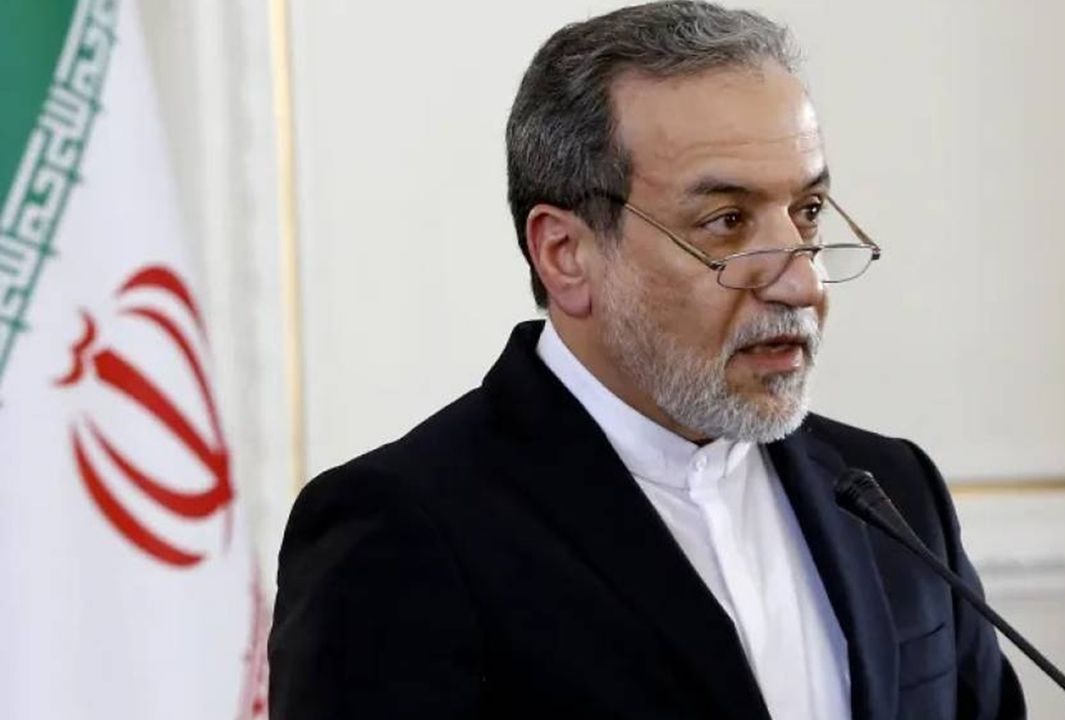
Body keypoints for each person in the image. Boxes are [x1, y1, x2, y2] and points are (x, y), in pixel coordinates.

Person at [268, 2, 1025, 718]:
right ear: (566, 254)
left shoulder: (893, 492)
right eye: (726, 222)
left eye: (808, 212)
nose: (801, 282)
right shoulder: (403, 529)